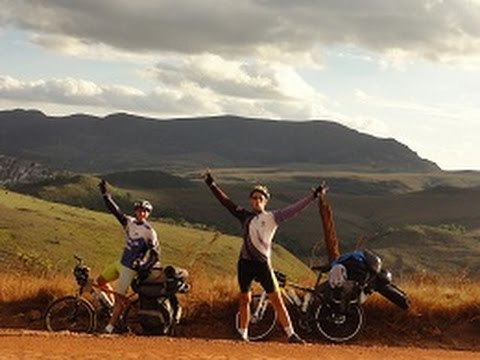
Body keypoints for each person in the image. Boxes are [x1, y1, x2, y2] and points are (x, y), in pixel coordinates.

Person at [203, 169, 323, 343]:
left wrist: (313, 197)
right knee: (245, 298)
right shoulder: (244, 215)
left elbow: (294, 209)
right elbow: (226, 202)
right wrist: (212, 185)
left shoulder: (273, 217)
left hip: (262, 264)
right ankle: (243, 334)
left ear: (265, 201)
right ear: (250, 200)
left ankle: (291, 334)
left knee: (277, 299)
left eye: (260, 198)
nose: (257, 200)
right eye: (254, 198)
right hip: (245, 263)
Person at [96, 179, 159, 334]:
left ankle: (110, 327)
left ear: (148, 214)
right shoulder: (129, 223)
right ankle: (112, 308)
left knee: (119, 298)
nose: (141, 213)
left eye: (144, 211)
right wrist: (105, 194)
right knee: (99, 282)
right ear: (135, 211)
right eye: (139, 210)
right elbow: (115, 211)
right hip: (120, 262)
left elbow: (155, 255)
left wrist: (144, 266)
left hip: (130, 268)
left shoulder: (149, 232)